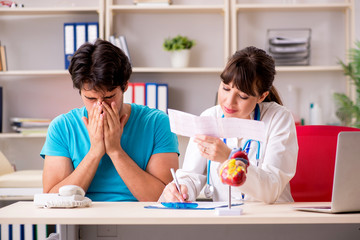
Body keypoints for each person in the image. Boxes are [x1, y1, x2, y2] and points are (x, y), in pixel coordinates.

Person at [40, 39, 179, 202]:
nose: (100, 106)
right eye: (90, 98)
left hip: (142, 219)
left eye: (109, 97)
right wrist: (95, 152)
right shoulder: (62, 127)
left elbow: (165, 198)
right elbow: (52, 199)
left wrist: (115, 150)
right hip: (81, 221)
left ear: (125, 86)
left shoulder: (157, 123)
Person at [160, 46, 298, 204]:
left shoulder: (278, 118)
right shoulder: (209, 117)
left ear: (261, 96)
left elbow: (271, 191)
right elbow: (192, 176)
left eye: (243, 96)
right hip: (227, 219)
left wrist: (229, 157)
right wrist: (182, 188)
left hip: (272, 219)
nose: (229, 101)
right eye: (225, 88)